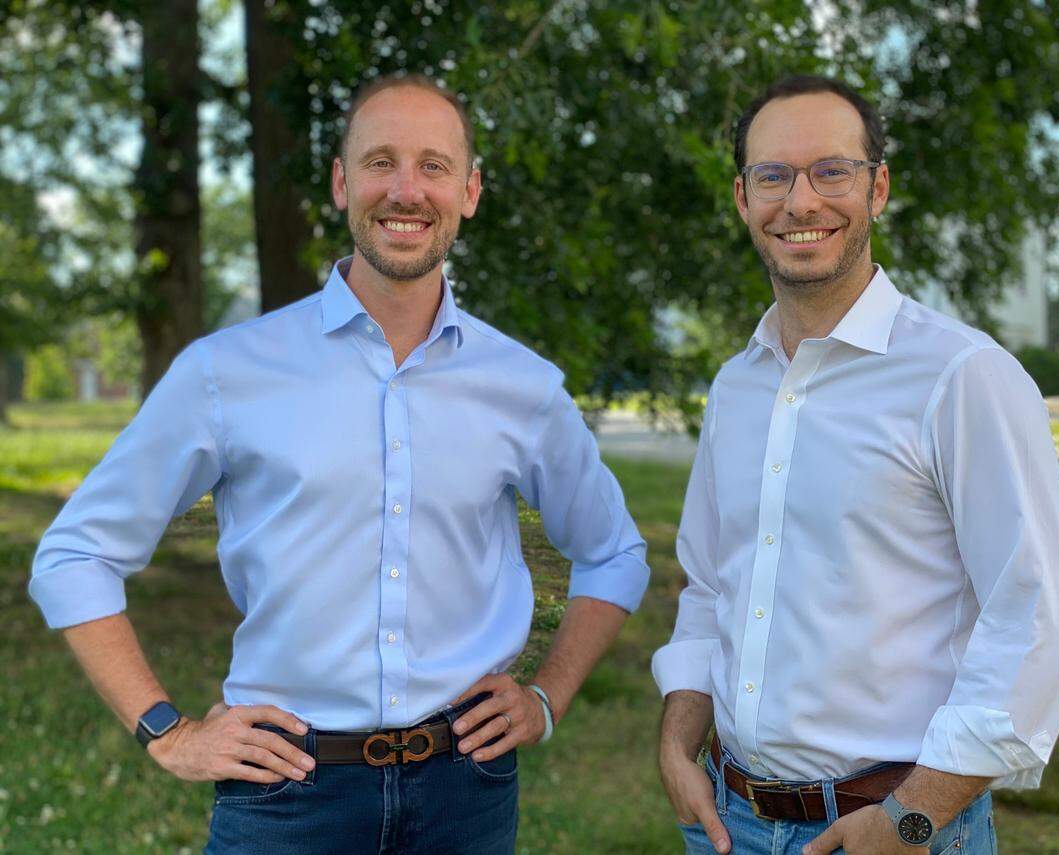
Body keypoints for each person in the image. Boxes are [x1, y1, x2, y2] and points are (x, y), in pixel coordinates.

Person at [29, 74, 650, 854]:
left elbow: (614, 551)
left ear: (469, 191)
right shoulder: (227, 371)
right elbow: (76, 554)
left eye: (433, 166)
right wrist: (167, 729)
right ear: (341, 182)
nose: (405, 190)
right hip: (283, 793)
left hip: (465, 793)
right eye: (380, 161)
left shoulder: (522, 387)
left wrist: (547, 696)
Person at [653, 75, 1059, 855]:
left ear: (877, 187)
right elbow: (711, 584)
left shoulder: (962, 376)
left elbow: (1036, 621)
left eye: (832, 171)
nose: (801, 202)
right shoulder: (737, 386)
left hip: (898, 827)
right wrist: (678, 743)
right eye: (773, 176)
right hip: (728, 821)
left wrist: (912, 819)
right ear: (743, 198)